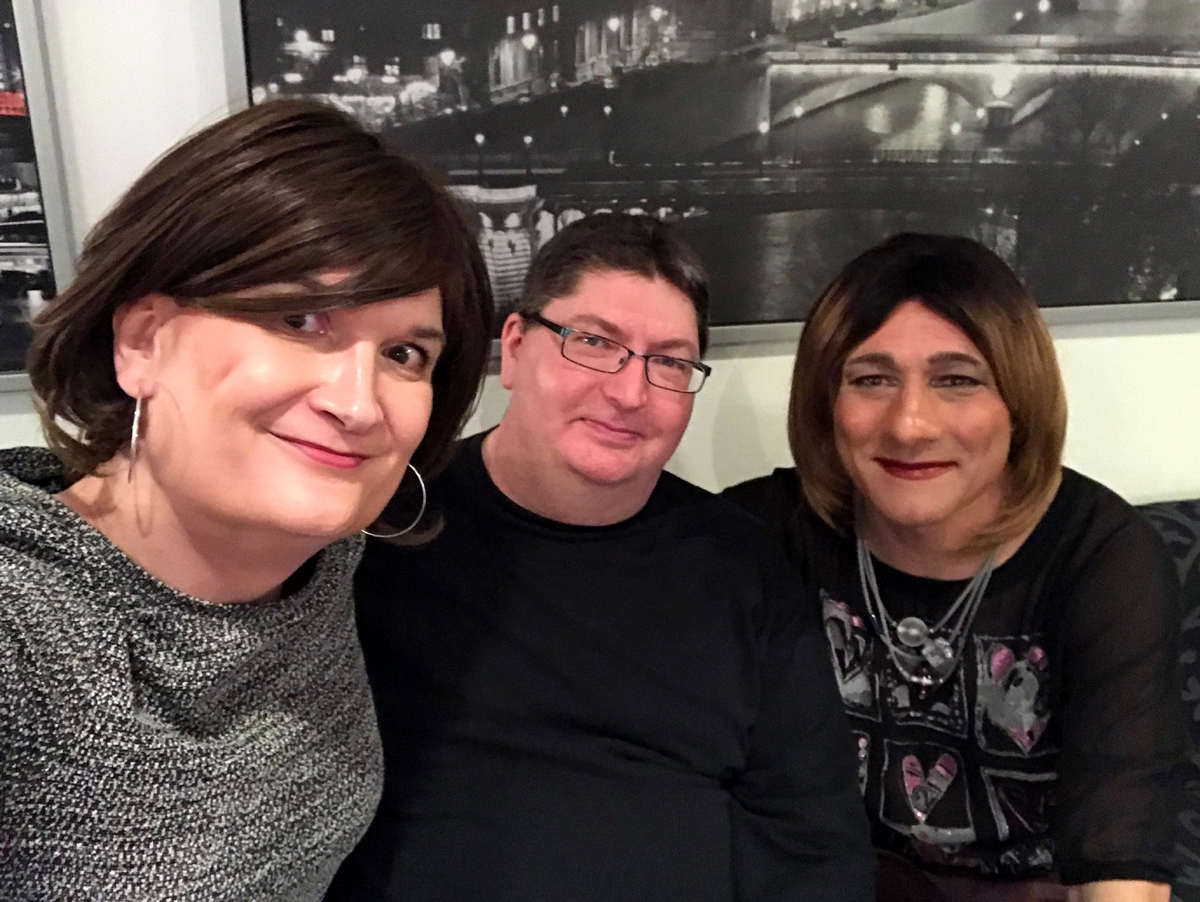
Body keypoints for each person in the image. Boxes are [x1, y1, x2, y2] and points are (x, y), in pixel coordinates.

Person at [0, 99, 493, 900]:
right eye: (300, 318)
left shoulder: (326, 565)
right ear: (142, 341)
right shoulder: (23, 628)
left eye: (404, 353)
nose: (358, 404)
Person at [327, 213, 875, 902]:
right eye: (592, 342)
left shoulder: (742, 565)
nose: (629, 393)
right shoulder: (382, 529)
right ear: (515, 348)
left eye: (669, 362)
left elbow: (814, 840)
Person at [723, 233, 1187, 902]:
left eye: (958, 380)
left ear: (1018, 403)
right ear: (827, 403)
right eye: (871, 378)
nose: (909, 425)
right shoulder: (765, 533)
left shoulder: (1103, 557)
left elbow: (1122, 842)